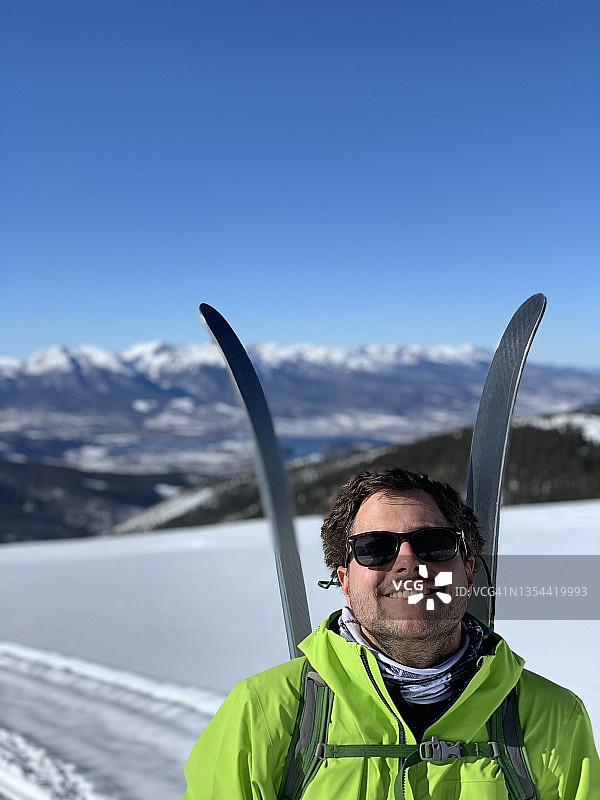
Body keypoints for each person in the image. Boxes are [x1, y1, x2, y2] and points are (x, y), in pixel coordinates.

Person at [182, 468, 600, 799]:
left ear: (468, 570)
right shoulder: (265, 710)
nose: (407, 563)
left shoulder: (551, 716)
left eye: (433, 543)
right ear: (345, 580)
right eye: (375, 547)